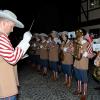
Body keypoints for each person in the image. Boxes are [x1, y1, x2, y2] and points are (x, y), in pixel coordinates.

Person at [0, 10, 32, 100]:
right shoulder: (1, 37)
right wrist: (25, 40)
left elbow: (6, 56)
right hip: (5, 86)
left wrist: (19, 56)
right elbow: (12, 58)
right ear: (4, 23)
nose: (12, 30)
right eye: (12, 26)